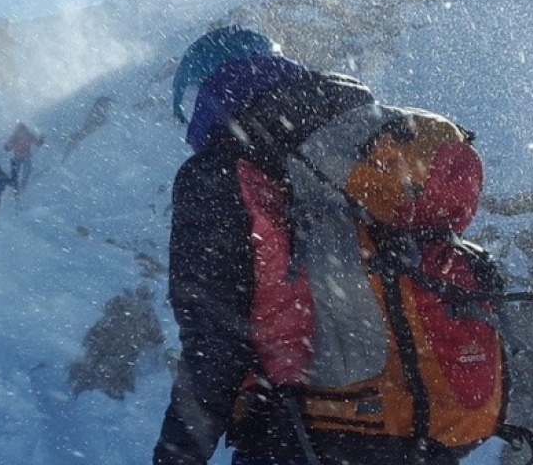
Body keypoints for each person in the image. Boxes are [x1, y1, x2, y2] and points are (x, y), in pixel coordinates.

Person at [153, 35, 461, 465]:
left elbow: (214, 344)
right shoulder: (354, 143)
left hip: (305, 434)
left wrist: (177, 455)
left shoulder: (218, 173)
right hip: (417, 429)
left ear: (204, 92)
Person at [3, 121, 45, 190]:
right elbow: (9, 147)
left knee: (21, 173)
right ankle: (18, 187)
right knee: (20, 173)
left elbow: (9, 147)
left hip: (21, 157)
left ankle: (19, 187)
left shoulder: (19, 136)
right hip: (21, 157)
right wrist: (7, 147)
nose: (22, 133)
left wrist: (41, 140)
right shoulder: (18, 136)